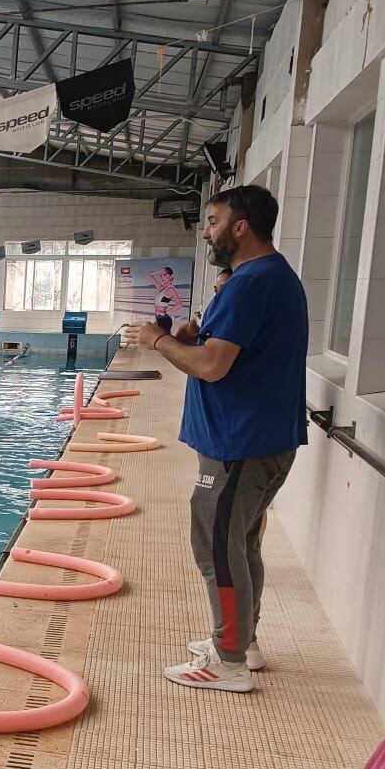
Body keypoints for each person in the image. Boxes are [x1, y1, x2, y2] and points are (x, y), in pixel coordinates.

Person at [126, 183, 308, 693]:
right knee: (242, 543)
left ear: (240, 226)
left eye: (212, 220)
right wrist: (193, 339)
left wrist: (158, 340)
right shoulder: (272, 277)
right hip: (261, 439)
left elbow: (211, 367)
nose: (207, 230)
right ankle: (241, 642)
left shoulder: (250, 283)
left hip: (240, 445)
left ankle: (227, 661)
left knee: (217, 549)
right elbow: (223, 352)